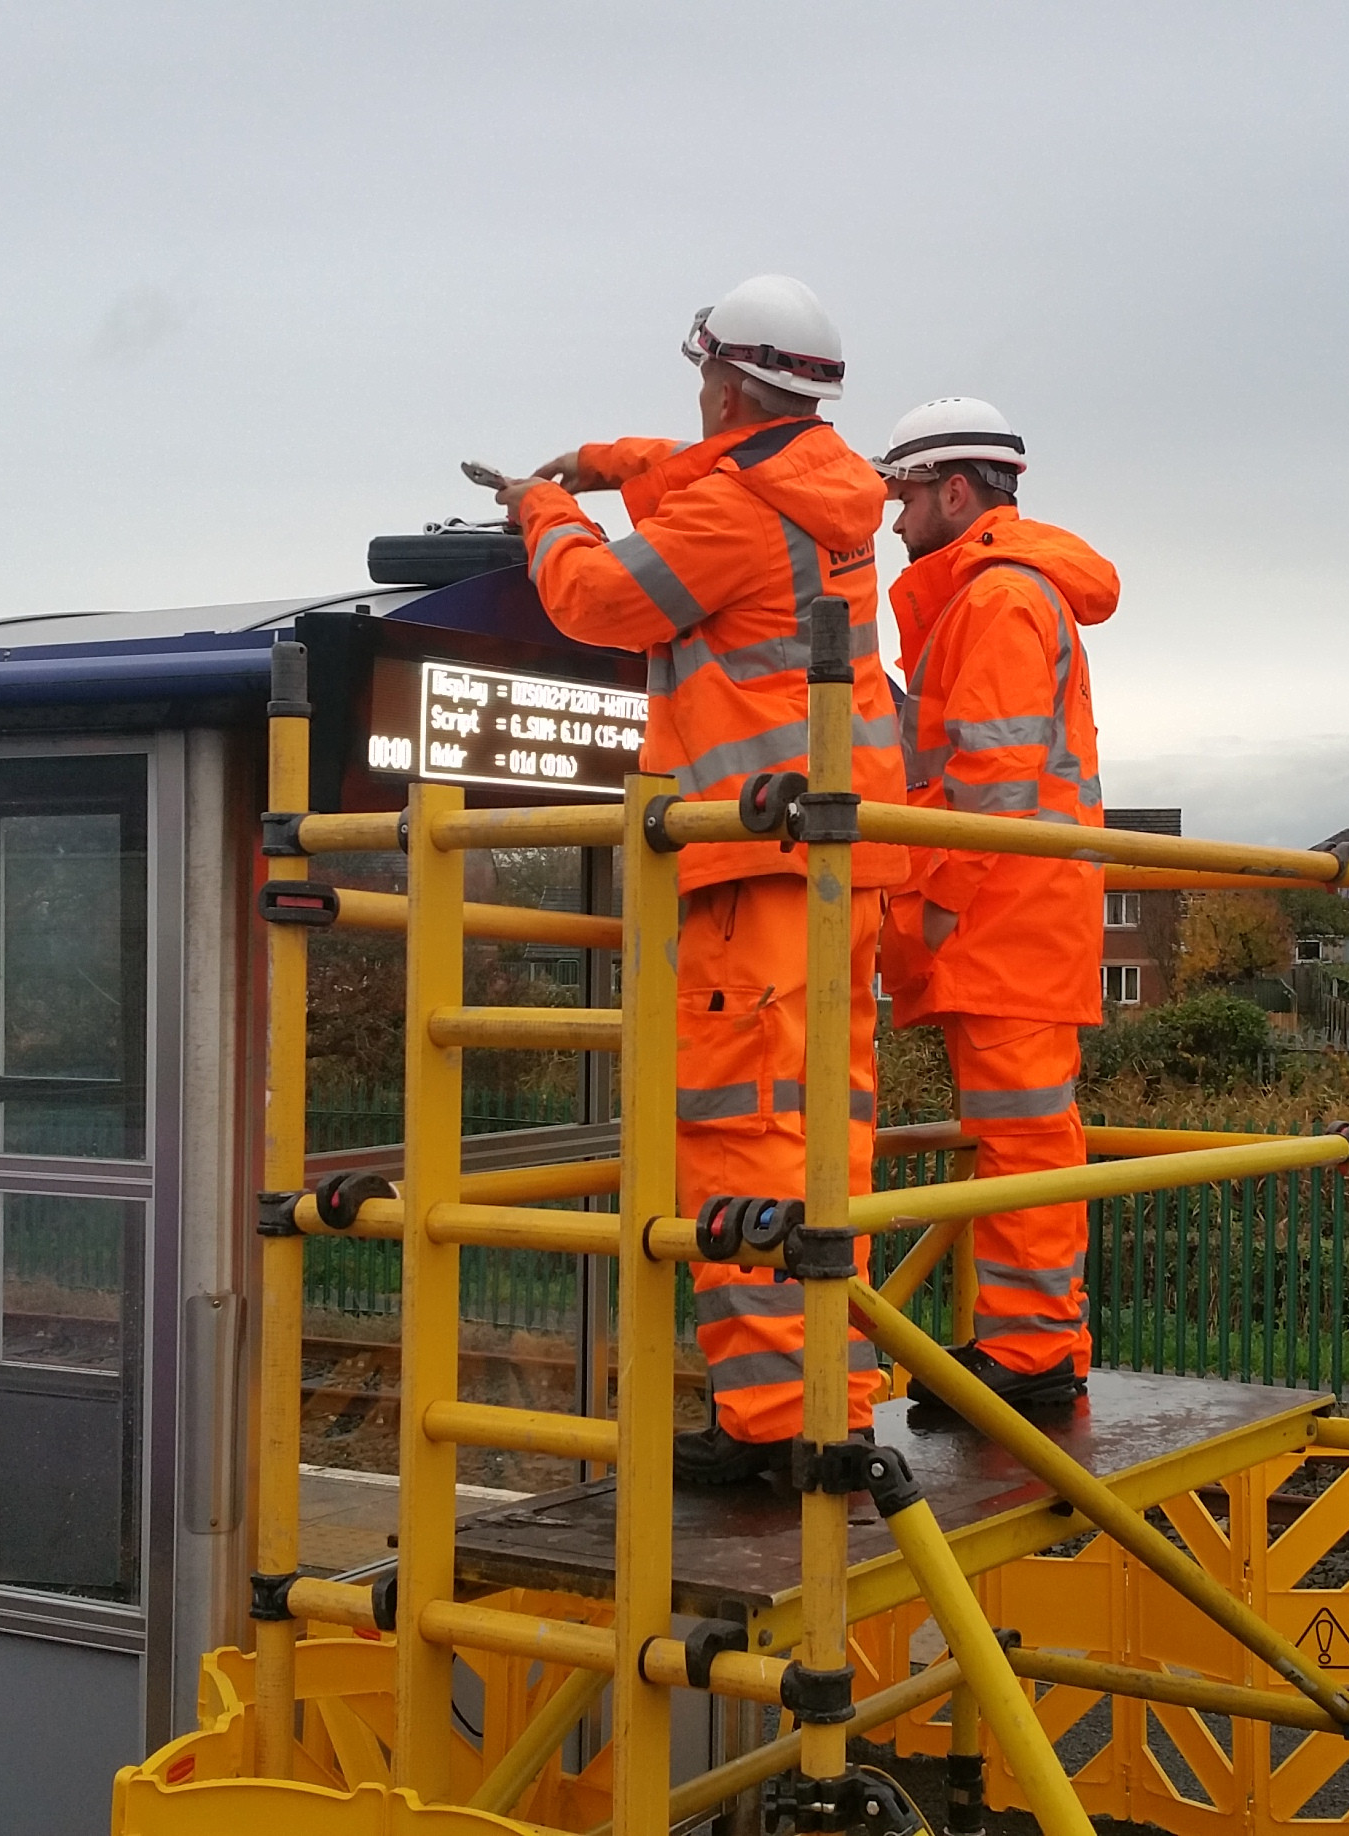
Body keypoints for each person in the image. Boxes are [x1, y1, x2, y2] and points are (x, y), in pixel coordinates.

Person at [483, 275, 912, 1484]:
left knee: (747, 1144)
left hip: (749, 861)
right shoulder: (816, 490)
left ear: (729, 381)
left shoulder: (734, 514)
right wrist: (608, 464)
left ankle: (779, 1431)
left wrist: (544, 511)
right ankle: (820, 1397)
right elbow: (710, 469)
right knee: (821, 1137)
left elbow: (597, 601)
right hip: (828, 864)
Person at [870, 397, 1119, 1420]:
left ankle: (1034, 1353)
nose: (893, 519)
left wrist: (931, 913)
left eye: (906, 495)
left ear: (956, 492)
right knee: (1021, 1135)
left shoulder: (998, 600)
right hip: (1020, 917)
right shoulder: (996, 596)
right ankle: (1029, 1343)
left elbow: (992, 791)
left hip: (1002, 918)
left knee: (1022, 1139)